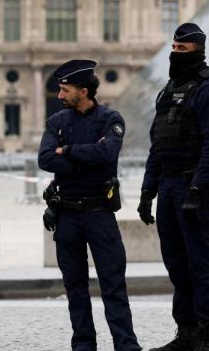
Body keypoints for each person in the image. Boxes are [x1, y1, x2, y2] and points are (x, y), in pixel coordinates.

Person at [138, 23, 209, 351]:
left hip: (194, 188)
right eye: (174, 50)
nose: (175, 55)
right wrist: (147, 191)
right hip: (168, 186)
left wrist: (197, 189)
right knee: (176, 263)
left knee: (200, 263)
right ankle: (186, 332)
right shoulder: (168, 90)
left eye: (183, 51)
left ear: (198, 52)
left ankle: (207, 337)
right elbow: (157, 144)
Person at [38, 60, 141, 351]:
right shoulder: (57, 121)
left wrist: (68, 151)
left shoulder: (111, 118)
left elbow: (107, 152)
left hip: (99, 213)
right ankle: (83, 346)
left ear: (84, 91)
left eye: (64, 90)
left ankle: (126, 345)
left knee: (113, 286)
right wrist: (87, 160)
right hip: (67, 214)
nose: (59, 96)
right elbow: (45, 159)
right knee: (75, 289)